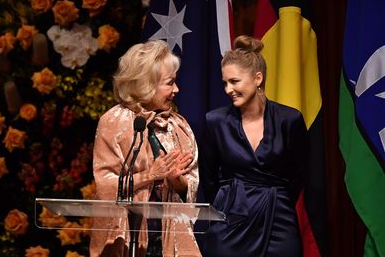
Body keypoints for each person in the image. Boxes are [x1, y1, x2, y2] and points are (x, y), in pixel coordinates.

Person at [198, 35, 308, 257]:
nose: (228, 89)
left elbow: (299, 175)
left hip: (279, 220)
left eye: (234, 81)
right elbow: (208, 178)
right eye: (225, 83)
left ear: (258, 78)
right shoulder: (214, 121)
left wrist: (276, 199)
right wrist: (226, 205)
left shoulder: (290, 119)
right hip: (229, 221)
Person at [89, 40, 201, 257]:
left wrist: (175, 180)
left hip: (168, 237)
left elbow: (191, 186)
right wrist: (150, 175)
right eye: (169, 83)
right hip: (128, 237)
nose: (176, 90)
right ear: (146, 84)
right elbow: (105, 185)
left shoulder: (179, 127)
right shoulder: (114, 122)